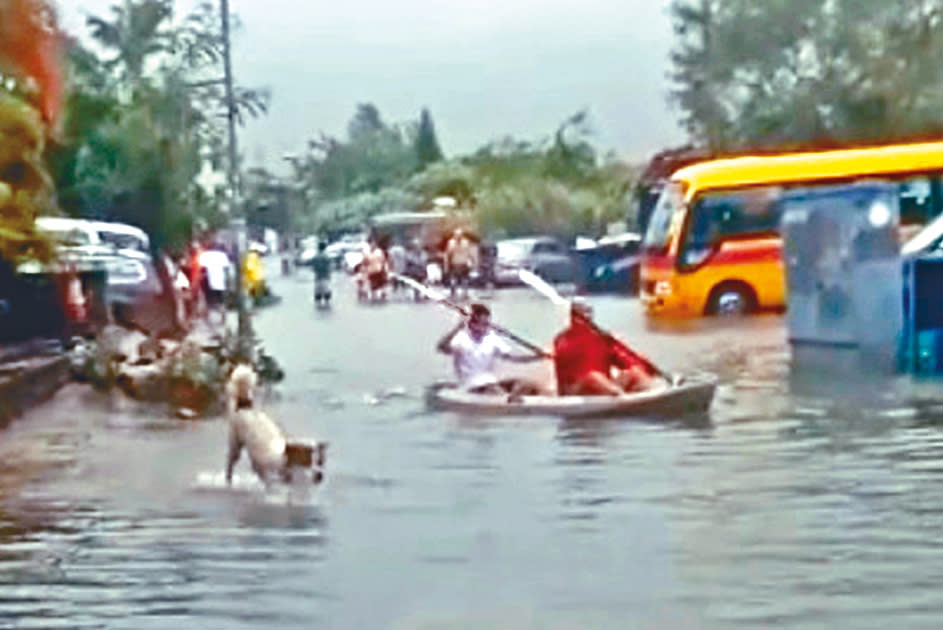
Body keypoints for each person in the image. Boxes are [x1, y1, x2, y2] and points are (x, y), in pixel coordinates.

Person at [225, 364, 327, 488]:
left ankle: (293, 468)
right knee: (283, 461)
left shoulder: (237, 419)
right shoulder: (260, 415)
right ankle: (306, 455)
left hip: (266, 461)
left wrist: (228, 479)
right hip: (280, 450)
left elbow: (233, 454)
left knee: (261, 466)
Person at [436, 302, 548, 397]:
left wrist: (537, 357)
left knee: (526, 384)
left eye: (488, 323)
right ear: (472, 324)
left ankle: (512, 398)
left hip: (491, 382)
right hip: (471, 386)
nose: (487, 326)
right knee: (493, 389)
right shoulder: (461, 338)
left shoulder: (491, 338)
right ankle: (507, 400)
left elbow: (514, 357)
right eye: (484, 323)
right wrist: (457, 327)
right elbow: (441, 347)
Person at [553, 299, 657, 396]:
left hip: (605, 387)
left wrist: (641, 363)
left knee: (634, 371)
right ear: (573, 317)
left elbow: (624, 362)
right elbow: (563, 356)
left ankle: (655, 393)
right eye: (583, 314)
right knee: (592, 377)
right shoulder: (562, 339)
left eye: (589, 313)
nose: (588, 317)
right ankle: (621, 398)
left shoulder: (602, 338)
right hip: (575, 391)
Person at [198, 244, 232, 321]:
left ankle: (208, 316)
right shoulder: (222, 255)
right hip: (221, 282)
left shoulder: (204, 255)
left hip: (209, 282)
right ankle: (223, 314)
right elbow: (227, 269)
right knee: (221, 300)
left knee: (208, 301)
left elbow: (202, 270)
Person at [444, 228, 478, 299]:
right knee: (457, 279)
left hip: (461, 263)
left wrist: (473, 261)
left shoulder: (458, 242)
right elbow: (448, 254)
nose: (458, 236)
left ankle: (462, 293)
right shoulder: (452, 243)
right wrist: (446, 264)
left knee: (462, 279)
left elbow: (469, 253)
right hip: (456, 263)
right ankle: (456, 293)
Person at [311, 240, 332, 307]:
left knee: (318, 290)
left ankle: (319, 302)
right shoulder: (326, 256)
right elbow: (329, 266)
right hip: (325, 275)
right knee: (326, 289)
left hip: (317, 276)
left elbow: (312, 265)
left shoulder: (315, 256)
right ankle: (326, 302)